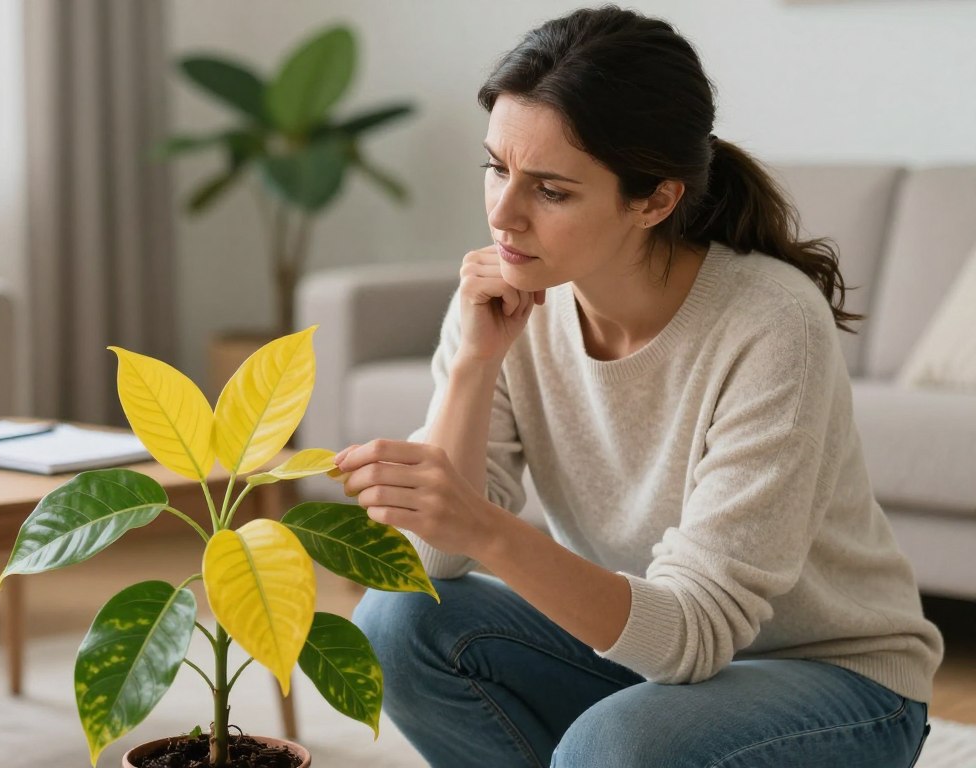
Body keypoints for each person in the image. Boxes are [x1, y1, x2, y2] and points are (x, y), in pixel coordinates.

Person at [339, 6, 943, 767]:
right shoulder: (511, 295)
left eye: (550, 191)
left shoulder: (772, 323)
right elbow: (433, 563)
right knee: (398, 622)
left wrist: (491, 530)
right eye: (496, 167)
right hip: (645, 660)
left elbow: (695, 633)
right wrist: (472, 364)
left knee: (618, 743)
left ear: (654, 200)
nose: (503, 213)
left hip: (835, 682)